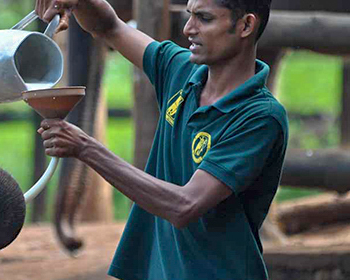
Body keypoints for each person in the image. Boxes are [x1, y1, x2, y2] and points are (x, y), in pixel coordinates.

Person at [34, 0, 288, 279]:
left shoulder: (260, 117)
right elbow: (108, 26)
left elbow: (185, 206)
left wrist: (86, 147)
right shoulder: (179, 71)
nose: (189, 28)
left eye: (204, 18)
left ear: (246, 25)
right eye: (189, 15)